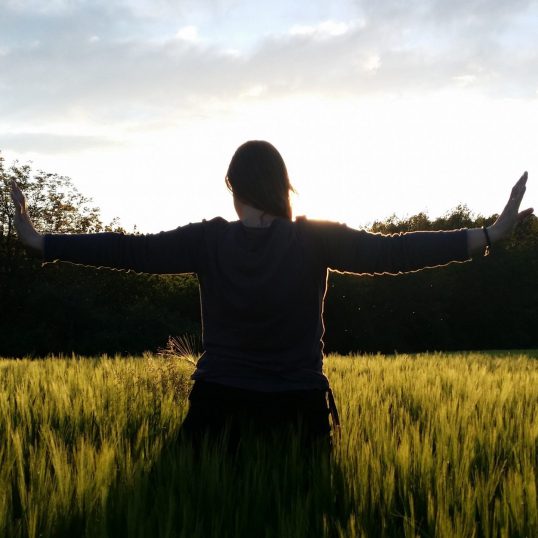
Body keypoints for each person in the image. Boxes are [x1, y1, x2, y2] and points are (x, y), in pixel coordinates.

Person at [10, 140, 533, 454]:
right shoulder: (313, 238)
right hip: (296, 410)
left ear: (233, 186)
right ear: (284, 184)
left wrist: (43, 242)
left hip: (218, 407)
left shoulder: (207, 240)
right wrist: (486, 235)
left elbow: (128, 252)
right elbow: (391, 253)